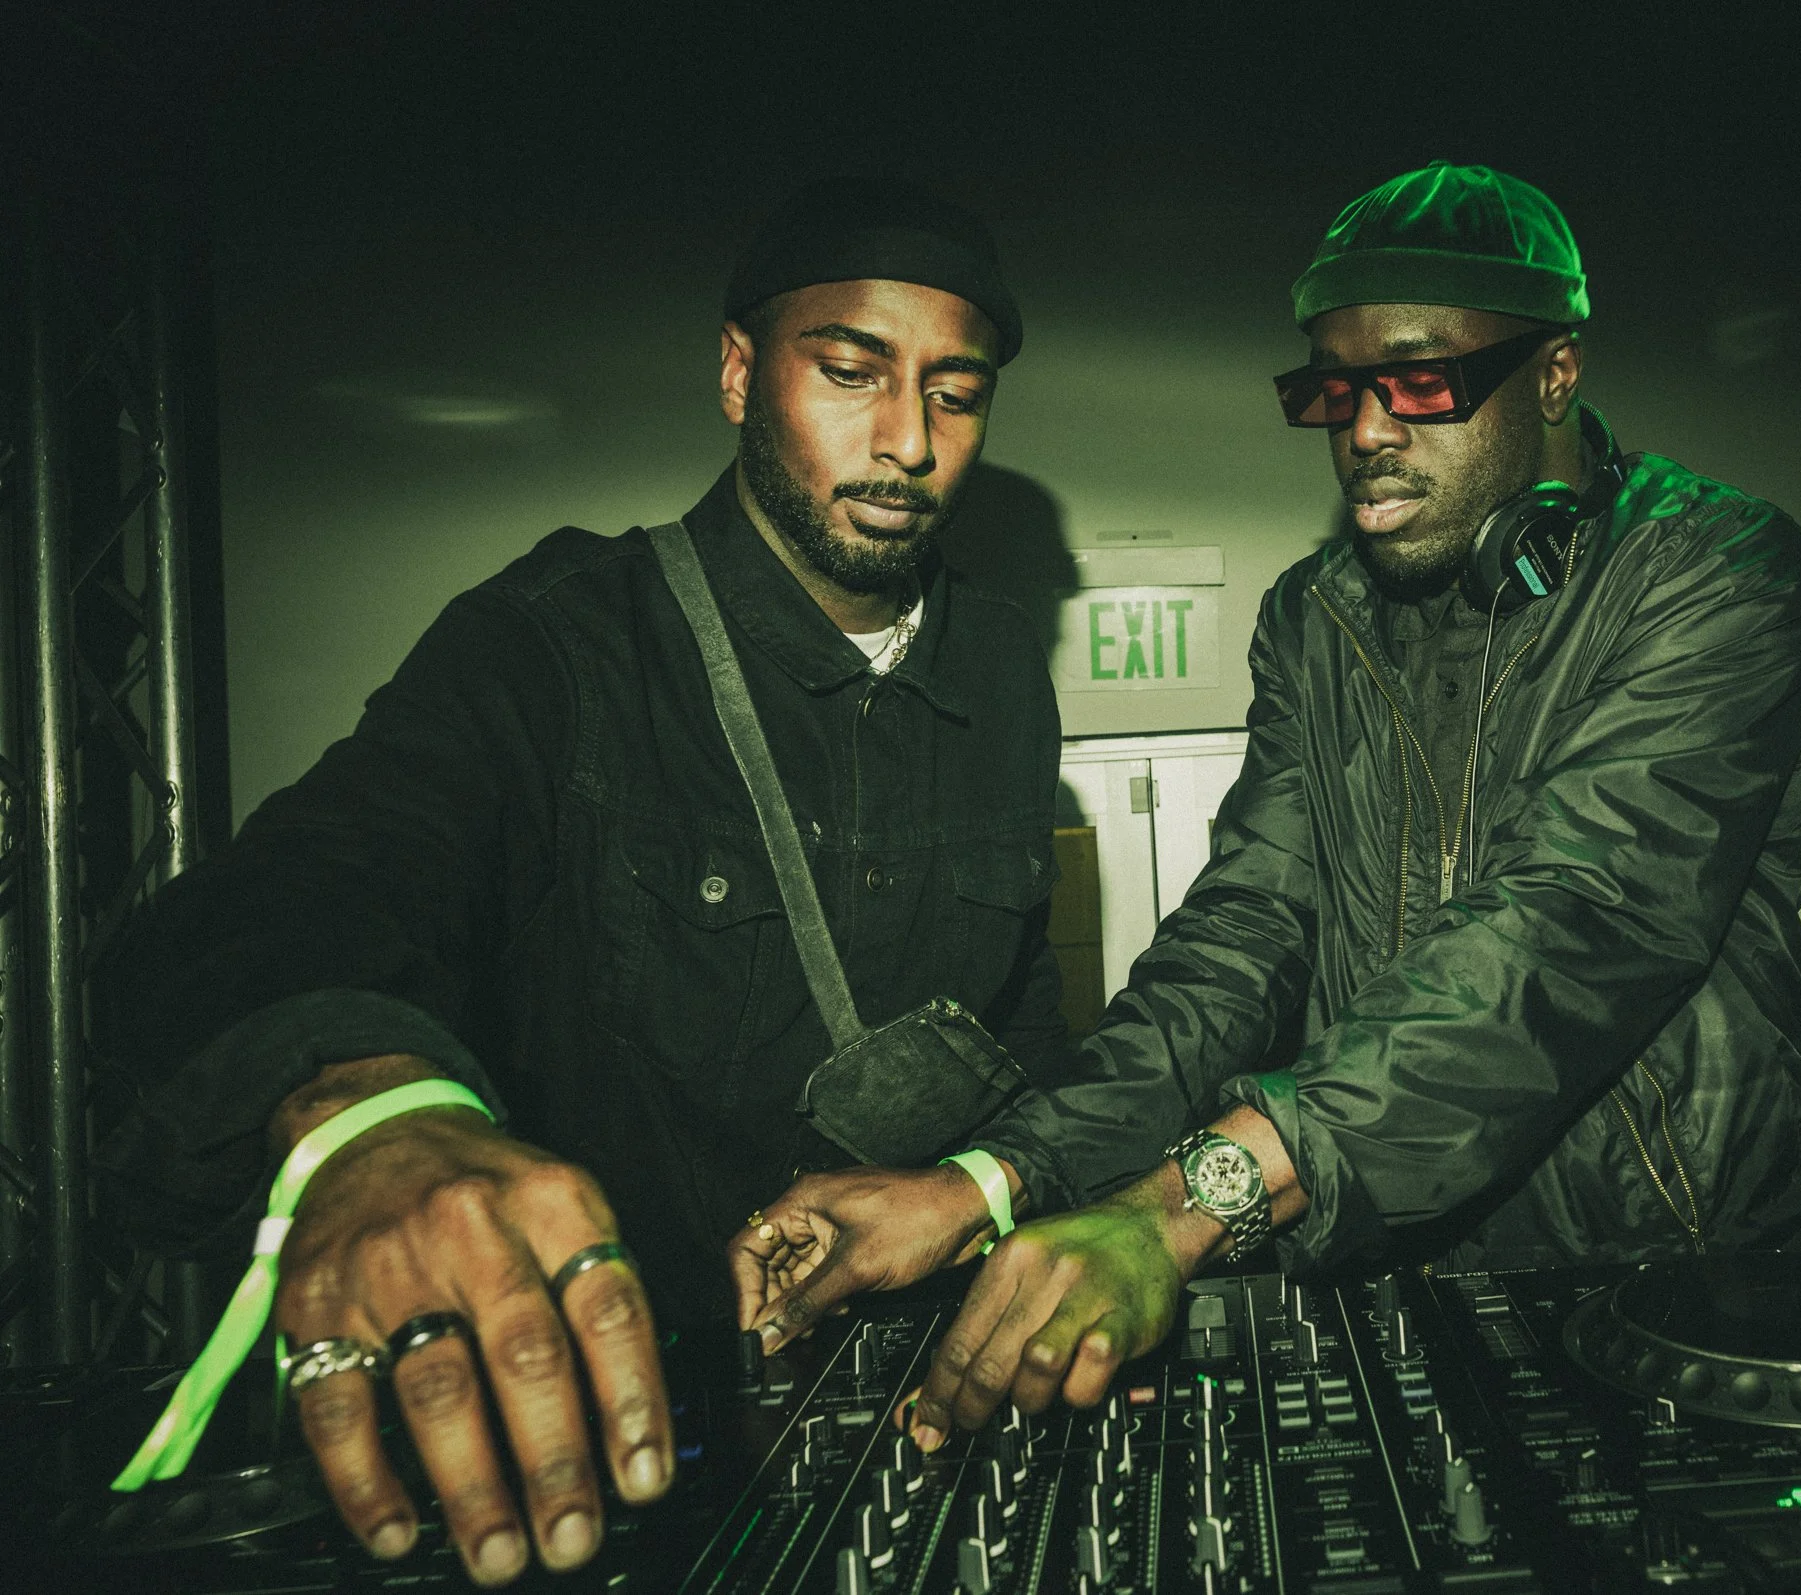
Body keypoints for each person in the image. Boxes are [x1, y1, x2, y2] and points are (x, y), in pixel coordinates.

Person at [738, 162, 1801, 1450]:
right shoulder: (1314, 618)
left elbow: (1570, 928)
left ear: (1556, 373)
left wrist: (1182, 1206)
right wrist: (985, 1182)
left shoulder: (1713, 567)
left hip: (1698, 1284)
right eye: (1334, 388)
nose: (1368, 430)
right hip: (1399, 1280)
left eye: (1422, 381)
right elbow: (1242, 942)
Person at [93, 181, 1072, 1586]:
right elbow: (290, 900)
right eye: (850, 372)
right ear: (739, 374)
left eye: (956, 394)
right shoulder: (558, 641)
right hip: (622, 1444)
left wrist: (1012, 1203)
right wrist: (371, 1112)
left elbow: (1023, 1012)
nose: (908, 441)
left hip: (924, 1400)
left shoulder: (1003, 665)